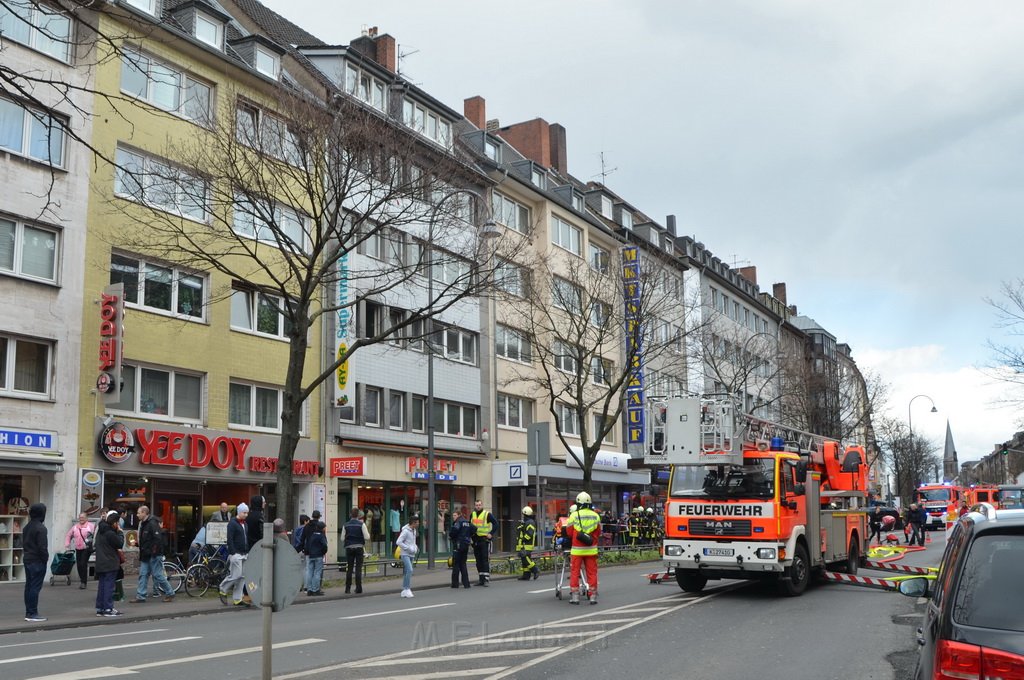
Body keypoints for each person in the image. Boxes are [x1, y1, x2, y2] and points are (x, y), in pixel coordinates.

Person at [566, 492, 602, 605]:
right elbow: (598, 532)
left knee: (574, 572)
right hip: (591, 549)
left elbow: (569, 532)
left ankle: (575, 597)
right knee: (592, 573)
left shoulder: (574, 515)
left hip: (577, 550)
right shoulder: (596, 515)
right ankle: (593, 596)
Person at [133, 506, 175, 603]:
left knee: (157, 575)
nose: (137, 515)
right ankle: (141, 596)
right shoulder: (144, 523)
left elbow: (157, 540)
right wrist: (139, 544)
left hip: (153, 555)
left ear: (144, 513)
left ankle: (170, 593)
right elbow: (148, 539)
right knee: (143, 574)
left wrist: (154, 552)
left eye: (139, 513)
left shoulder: (152, 523)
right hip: (146, 554)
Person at [219, 502, 251, 607]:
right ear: (239, 512)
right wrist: (233, 552)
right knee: (236, 575)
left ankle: (237, 598)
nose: (246, 515)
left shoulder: (245, 524)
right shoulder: (232, 523)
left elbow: (246, 538)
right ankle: (223, 588)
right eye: (244, 513)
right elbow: (230, 539)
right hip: (236, 553)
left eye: (247, 513)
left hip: (244, 553)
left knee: (242, 577)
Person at [94, 510, 124, 617]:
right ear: (115, 523)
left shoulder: (100, 530)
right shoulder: (110, 533)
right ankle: (107, 608)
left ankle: (100, 608)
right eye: (118, 523)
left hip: (101, 562)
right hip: (110, 562)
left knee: (102, 585)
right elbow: (119, 544)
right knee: (109, 586)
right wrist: (120, 533)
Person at [23, 502, 49, 622]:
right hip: (37, 560)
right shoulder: (41, 528)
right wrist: (45, 559)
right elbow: (42, 547)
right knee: (34, 587)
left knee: (29, 586)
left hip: (28, 558)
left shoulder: (27, 527)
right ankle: (32, 613)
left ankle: (29, 611)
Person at [470, 499, 498, 587]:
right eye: (476, 505)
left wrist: (491, 533)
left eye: (479, 505)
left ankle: (486, 579)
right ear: (474, 506)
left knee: (484, 559)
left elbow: (496, 524)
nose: (478, 506)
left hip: (484, 539)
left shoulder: (487, 514)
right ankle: (481, 579)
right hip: (475, 540)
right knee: (478, 560)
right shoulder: (472, 514)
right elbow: (470, 526)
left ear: (482, 505)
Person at [341, 507, 369, 594]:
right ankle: (358, 588)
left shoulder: (345, 525)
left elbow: (342, 538)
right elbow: (367, 537)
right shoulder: (362, 525)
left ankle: (347, 588)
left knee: (349, 568)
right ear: (358, 515)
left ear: (350, 515)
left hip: (349, 548)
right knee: (358, 568)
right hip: (359, 548)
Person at [64, 513, 95, 589]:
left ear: (86, 518)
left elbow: (95, 535)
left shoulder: (91, 526)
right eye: (80, 517)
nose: (81, 519)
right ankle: (82, 579)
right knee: (79, 565)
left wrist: (93, 543)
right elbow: (68, 535)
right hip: (78, 548)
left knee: (83, 563)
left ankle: (83, 582)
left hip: (87, 548)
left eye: (83, 517)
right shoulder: (75, 527)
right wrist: (67, 544)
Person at [448, 507, 473, 589]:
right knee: (463, 564)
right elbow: (474, 529)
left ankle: (455, 584)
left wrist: (451, 536)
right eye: (453, 515)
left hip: (458, 545)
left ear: (458, 515)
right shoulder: (467, 522)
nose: (453, 517)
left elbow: (453, 532)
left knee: (456, 564)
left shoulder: (458, 522)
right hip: (465, 545)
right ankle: (466, 584)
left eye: (454, 515)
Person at [396, 514, 419, 598]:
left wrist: (415, 547)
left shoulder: (414, 530)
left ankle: (405, 590)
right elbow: (398, 542)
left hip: (412, 554)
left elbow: (413, 541)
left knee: (407, 572)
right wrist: (408, 548)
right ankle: (407, 588)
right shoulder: (405, 531)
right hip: (405, 554)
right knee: (410, 570)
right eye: (417, 522)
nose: (418, 524)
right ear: (413, 523)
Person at [303, 517, 327, 596]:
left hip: (311, 555)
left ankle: (309, 589)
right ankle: (315, 589)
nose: (325, 529)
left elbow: (308, 544)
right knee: (317, 572)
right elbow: (324, 545)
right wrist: (323, 552)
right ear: (322, 528)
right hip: (318, 555)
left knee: (310, 572)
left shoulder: (313, 535)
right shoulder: (321, 535)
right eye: (324, 528)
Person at [515, 506, 540, 580]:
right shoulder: (527, 522)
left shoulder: (530, 522)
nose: (522, 515)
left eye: (523, 514)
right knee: (524, 560)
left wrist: (523, 539)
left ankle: (535, 570)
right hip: (524, 544)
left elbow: (530, 533)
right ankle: (526, 575)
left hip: (527, 544)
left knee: (525, 558)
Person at [293, 513, 309, 592]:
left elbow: (295, 540)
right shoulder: (306, 529)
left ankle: (298, 586)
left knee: (299, 569)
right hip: (304, 550)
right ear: (305, 521)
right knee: (305, 568)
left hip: (298, 550)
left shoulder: (296, 529)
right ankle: (306, 586)